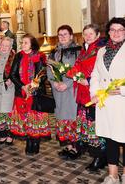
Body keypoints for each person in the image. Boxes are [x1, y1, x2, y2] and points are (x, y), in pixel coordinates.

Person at [90, 17, 125, 184]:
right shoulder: (102, 50)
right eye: (113, 30)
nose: (116, 33)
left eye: (120, 30)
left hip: (123, 101)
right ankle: (113, 175)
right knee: (110, 139)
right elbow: (96, 74)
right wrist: (94, 93)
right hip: (106, 102)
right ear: (108, 33)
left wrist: (123, 90)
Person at [66, 24, 106, 171]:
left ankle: (101, 156)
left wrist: (88, 81)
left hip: (94, 93)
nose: (87, 36)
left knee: (96, 126)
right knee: (87, 126)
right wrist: (73, 73)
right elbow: (77, 65)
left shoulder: (101, 50)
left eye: (91, 34)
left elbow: (101, 71)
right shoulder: (84, 50)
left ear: (97, 35)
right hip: (83, 94)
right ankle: (94, 154)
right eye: (85, 34)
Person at [10, 34, 51, 154]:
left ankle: (35, 142)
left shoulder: (40, 56)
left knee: (35, 119)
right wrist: (23, 86)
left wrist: (33, 86)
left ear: (32, 44)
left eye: (25, 43)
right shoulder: (18, 56)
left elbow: (43, 75)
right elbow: (12, 74)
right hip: (21, 92)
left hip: (36, 93)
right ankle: (29, 140)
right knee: (25, 118)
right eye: (22, 42)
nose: (23, 45)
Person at [47, 25, 81, 160]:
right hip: (58, 91)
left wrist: (67, 84)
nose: (62, 37)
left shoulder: (78, 51)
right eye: (60, 35)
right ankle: (68, 146)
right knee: (62, 117)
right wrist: (54, 83)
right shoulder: (54, 53)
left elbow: (79, 71)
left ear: (71, 36)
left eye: (65, 34)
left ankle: (75, 147)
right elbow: (49, 69)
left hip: (72, 90)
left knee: (72, 117)